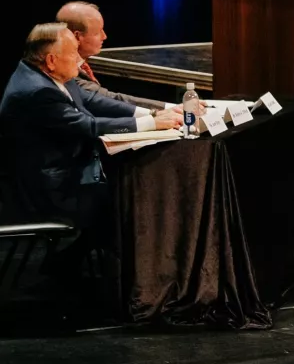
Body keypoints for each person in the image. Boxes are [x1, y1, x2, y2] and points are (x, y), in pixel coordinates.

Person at [2, 24, 178, 229]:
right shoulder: (38, 92)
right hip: (49, 191)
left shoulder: (49, 74)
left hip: (67, 170)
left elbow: (93, 100)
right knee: (133, 200)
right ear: (51, 60)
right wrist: (152, 123)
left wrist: (152, 113)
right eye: (73, 52)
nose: (79, 59)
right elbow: (87, 126)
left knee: (132, 186)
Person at [57, 1, 175, 111]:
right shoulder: (65, 70)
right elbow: (107, 100)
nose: (104, 36)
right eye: (97, 32)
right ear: (77, 36)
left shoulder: (79, 63)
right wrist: (167, 109)